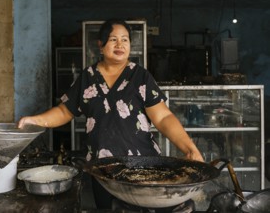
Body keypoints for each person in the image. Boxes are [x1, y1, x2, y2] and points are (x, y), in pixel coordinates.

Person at [18, 19, 204, 210]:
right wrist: (36, 120)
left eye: (125, 40)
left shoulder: (140, 77)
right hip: (103, 172)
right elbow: (65, 111)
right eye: (113, 39)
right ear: (100, 45)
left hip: (143, 169)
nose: (120, 44)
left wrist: (189, 148)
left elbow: (163, 117)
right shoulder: (87, 78)